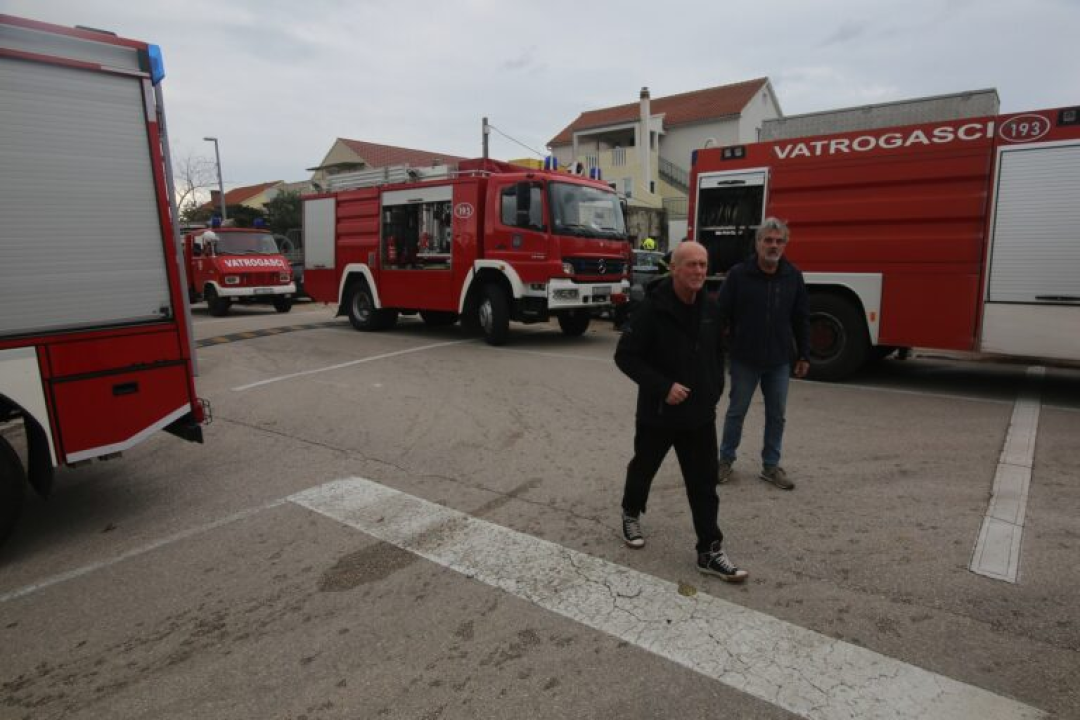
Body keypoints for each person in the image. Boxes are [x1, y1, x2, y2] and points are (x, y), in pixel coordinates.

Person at [615, 241, 749, 582]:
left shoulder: (711, 308)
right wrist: (663, 387)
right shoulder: (651, 309)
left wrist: (714, 389)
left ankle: (709, 550)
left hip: (699, 417)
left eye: (703, 264)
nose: (699, 271)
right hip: (658, 414)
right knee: (644, 468)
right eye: (691, 264)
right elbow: (626, 356)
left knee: (704, 485)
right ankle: (631, 511)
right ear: (674, 268)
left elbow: (718, 354)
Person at [716, 217, 810, 490]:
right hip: (745, 358)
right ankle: (725, 460)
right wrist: (714, 349)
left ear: (785, 245)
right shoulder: (738, 275)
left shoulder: (793, 276)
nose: (773, 245)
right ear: (757, 243)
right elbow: (720, 314)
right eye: (768, 240)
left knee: (777, 415)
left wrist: (804, 354)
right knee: (737, 412)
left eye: (779, 241)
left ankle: (771, 466)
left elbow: (802, 318)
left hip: (779, 360)